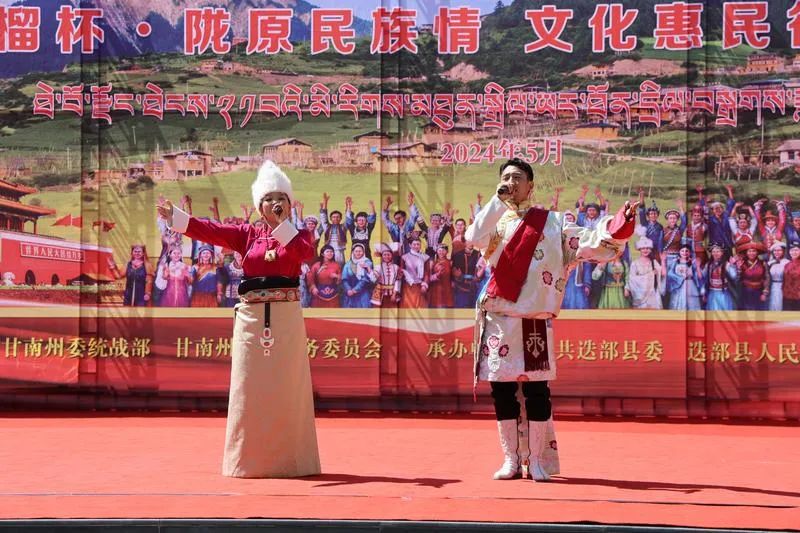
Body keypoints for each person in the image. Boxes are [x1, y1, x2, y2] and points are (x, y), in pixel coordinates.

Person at [466, 158, 637, 482]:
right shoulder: (494, 222)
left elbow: (590, 242)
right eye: (506, 177)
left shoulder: (552, 223)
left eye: (518, 177)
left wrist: (619, 224)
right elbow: (472, 237)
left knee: (537, 392)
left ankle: (537, 460)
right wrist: (497, 200)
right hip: (500, 319)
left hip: (534, 321)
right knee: (502, 392)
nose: (511, 181)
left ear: (530, 185)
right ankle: (511, 459)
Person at [156, 160, 320, 478]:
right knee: (249, 387)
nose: (276, 203)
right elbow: (211, 230)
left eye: (281, 199)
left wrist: (281, 225)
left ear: (289, 205)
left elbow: (304, 254)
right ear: (259, 206)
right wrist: (177, 217)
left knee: (287, 387)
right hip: (251, 318)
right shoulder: (246, 235)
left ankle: (293, 461)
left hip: (285, 318)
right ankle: (247, 461)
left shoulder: (299, 235)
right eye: (269, 199)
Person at [665, 239, 703, 310]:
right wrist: (680, 278)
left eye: (687, 251)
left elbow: (699, 276)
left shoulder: (693, 262)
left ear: (690, 252)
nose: (684, 253)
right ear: (679, 252)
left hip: (690, 285)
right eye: (682, 251)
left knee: (691, 302)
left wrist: (697, 267)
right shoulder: (675, 262)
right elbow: (670, 273)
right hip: (678, 285)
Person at [626, 236, 662, 309]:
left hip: (652, 294)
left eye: (647, 248)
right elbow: (632, 279)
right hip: (640, 294)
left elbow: (662, 274)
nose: (645, 250)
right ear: (639, 249)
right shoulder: (635, 263)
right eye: (643, 248)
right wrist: (650, 274)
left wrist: (663, 261)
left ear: (650, 250)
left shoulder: (654, 262)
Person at [702, 244, 738, 311]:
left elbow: (734, 276)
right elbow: (703, 277)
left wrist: (733, 265)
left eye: (718, 251)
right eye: (714, 252)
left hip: (723, 293)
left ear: (722, 253)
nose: (716, 253)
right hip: (712, 293)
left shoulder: (726, 264)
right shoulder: (709, 265)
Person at [737, 241, 769, 311]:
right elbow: (738, 279)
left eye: (754, 251)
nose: (751, 253)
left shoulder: (763, 263)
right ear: (746, 253)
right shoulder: (742, 263)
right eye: (749, 251)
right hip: (745, 292)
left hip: (759, 291)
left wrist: (765, 293)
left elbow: (766, 278)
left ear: (757, 252)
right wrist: (738, 268)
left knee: (758, 312)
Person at [341, 243, 374, 308]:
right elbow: (344, 279)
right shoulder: (348, 264)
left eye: (360, 251)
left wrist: (355, 290)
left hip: (363, 293)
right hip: (349, 293)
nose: (358, 253)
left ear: (363, 252)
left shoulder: (367, 263)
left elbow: (365, 279)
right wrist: (348, 289)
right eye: (356, 251)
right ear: (353, 252)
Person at [400, 237, 430, 308]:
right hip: (408, 286)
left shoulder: (425, 257)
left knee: (420, 307)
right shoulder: (404, 257)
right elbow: (401, 271)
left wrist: (424, 285)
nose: (416, 246)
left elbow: (427, 273)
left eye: (418, 244)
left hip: (420, 286)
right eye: (414, 244)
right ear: (410, 245)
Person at [319, 193, 347, 265]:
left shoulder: (343, 227)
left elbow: (348, 219)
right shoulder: (327, 227)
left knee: (340, 267)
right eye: (334, 217)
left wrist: (347, 206)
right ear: (331, 219)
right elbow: (323, 218)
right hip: (329, 250)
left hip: (339, 251)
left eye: (338, 217)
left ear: (340, 218)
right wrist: (325, 202)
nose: (336, 218)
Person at [370, 242, 402, 307]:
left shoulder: (396, 267)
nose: (386, 256)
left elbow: (398, 281)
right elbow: (373, 280)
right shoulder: (378, 267)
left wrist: (394, 293)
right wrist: (369, 270)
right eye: (384, 255)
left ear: (392, 256)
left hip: (393, 293)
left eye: (388, 255)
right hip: (379, 293)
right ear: (382, 256)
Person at [428, 243, 454, 308]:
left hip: (447, 288)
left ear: (447, 251)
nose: (441, 252)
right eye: (439, 250)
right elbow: (429, 276)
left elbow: (452, 276)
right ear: (437, 251)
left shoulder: (450, 262)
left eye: (443, 250)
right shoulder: (433, 262)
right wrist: (436, 275)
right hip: (436, 288)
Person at [767, 242, 789, 311]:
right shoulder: (770, 263)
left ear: (783, 251)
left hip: (783, 286)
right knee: (771, 304)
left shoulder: (787, 263)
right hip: (772, 286)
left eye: (779, 250)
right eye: (775, 250)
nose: (777, 252)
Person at [783, 242, 800, 310]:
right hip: (787, 296)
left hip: (798, 296)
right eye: (792, 250)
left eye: (796, 250)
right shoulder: (787, 265)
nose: (794, 252)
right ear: (789, 252)